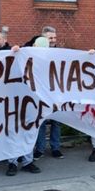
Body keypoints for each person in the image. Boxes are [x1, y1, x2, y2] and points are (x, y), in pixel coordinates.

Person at [33, 26, 64, 160]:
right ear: (43, 39)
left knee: (57, 121)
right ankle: (40, 149)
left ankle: (55, 148)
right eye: (50, 38)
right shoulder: (35, 52)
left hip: (56, 92)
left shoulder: (60, 53)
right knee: (42, 121)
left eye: (54, 37)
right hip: (41, 93)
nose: (53, 40)